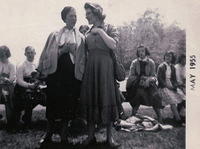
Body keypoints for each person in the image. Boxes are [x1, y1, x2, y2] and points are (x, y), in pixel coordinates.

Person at [37, 6, 86, 144]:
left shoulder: (81, 37)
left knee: (68, 105)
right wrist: (62, 50)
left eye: (75, 16)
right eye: (71, 16)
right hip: (56, 74)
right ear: (64, 18)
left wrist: (74, 52)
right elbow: (46, 53)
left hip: (72, 75)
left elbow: (83, 58)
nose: (74, 18)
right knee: (52, 104)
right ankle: (48, 135)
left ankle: (64, 136)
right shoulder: (54, 35)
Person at [80, 2, 120, 147]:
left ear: (97, 13)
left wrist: (100, 31)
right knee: (91, 98)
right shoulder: (87, 32)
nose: (86, 16)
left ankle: (110, 138)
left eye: (88, 13)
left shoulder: (110, 28)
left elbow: (113, 45)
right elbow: (83, 53)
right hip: (91, 67)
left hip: (105, 67)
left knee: (106, 97)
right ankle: (90, 136)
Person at [126, 45, 163, 123]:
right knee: (138, 94)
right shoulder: (134, 62)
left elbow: (154, 76)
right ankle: (133, 116)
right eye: (139, 51)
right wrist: (140, 79)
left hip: (149, 84)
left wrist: (148, 80)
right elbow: (131, 76)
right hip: (137, 84)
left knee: (155, 96)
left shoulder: (151, 62)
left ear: (146, 52)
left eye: (142, 51)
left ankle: (160, 117)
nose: (141, 53)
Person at [14, 46, 37, 128]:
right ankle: (27, 121)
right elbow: (19, 81)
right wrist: (29, 86)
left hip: (34, 85)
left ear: (35, 53)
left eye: (32, 52)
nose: (30, 55)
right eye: (28, 53)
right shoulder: (21, 65)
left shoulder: (37, 64)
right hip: (22, 87)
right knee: (28, 97)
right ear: (25, 54)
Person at [157, 51, 183, 123]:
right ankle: (178, 119)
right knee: (172, 101)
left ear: (172, 58)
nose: (168, 58)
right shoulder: (161, 66)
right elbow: (159, 79)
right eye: (167, 56)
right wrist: (167, 86)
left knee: (182, 96)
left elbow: (174, 79)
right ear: (164, 57)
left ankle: (178, 116)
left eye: (170, 56)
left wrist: (174, 86)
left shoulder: (172, 67)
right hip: (163, 87)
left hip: (171, 86)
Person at [0, 45, 16, 129]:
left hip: (7, 86)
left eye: (4, 54)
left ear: (7, 54)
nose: (2, 56)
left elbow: (12, 79)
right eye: (1, 54)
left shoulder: (11, 65)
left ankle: (10, 122)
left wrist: (5, 78)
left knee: (6, 96)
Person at [175, 54, 186, 121]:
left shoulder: (186, 67)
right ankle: (178, 115)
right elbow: (177, 80)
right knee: (183, 99)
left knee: (182, 101)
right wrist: (182, 87)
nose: (184, 61)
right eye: (183, 59)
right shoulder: (177, 67)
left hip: (185, 86)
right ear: (180, 60)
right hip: (178, 86)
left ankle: (178, 114)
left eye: (185, 59)